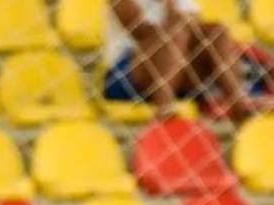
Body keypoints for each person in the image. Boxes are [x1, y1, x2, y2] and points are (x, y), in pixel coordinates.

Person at [104, 0, 263, 119]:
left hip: (178, 69)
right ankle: (164, 107)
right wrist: (172, 13)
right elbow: (140, 32)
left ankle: (239, 102)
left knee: (216, 31)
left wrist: (175, 15)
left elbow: (195, 28)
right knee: (176, 30)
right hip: (125, 74)